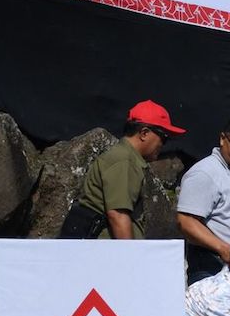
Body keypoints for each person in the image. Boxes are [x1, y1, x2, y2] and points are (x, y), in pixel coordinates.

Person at [61, 100, 185, 240]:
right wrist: (129, 258)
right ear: (144, 133)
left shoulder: (126, 158)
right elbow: (118, 215)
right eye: (164, 138)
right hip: (107, 255)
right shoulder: (124, 161)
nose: (162, 145)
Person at [176, 117, 230, 285]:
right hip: (212, 269)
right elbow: (185, 222)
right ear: (223, 139)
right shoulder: (205, 173)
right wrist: (224, 249)